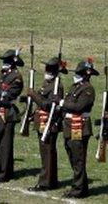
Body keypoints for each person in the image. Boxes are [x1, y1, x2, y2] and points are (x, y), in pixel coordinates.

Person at [60, 58, 98, 198]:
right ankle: (82, 187)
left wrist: (62, 102)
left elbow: (79, 107)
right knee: (73, 157)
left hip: (79, 126)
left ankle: (78, 189)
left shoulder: (88, 89)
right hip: (70, 126)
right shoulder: (75, 87)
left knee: (78, 159)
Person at [28, 56, 67, 191]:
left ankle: (46, 182)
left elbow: (47, 105)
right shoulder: (48, 84)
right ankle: (51, 180)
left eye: (50, 70)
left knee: (47, 153)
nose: (47, 72)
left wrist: (33, 95)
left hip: (49, 123)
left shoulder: (57, 87)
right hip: (42, 121)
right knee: (46, 152)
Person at [0, 49, 24, 182]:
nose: (4, 63)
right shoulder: (3, 74)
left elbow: (10, 94)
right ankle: (5, 170)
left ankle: (4, 173)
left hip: (7, 111)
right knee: (0, 142)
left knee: (5, 144)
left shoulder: (16, 77)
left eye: (6, 61)